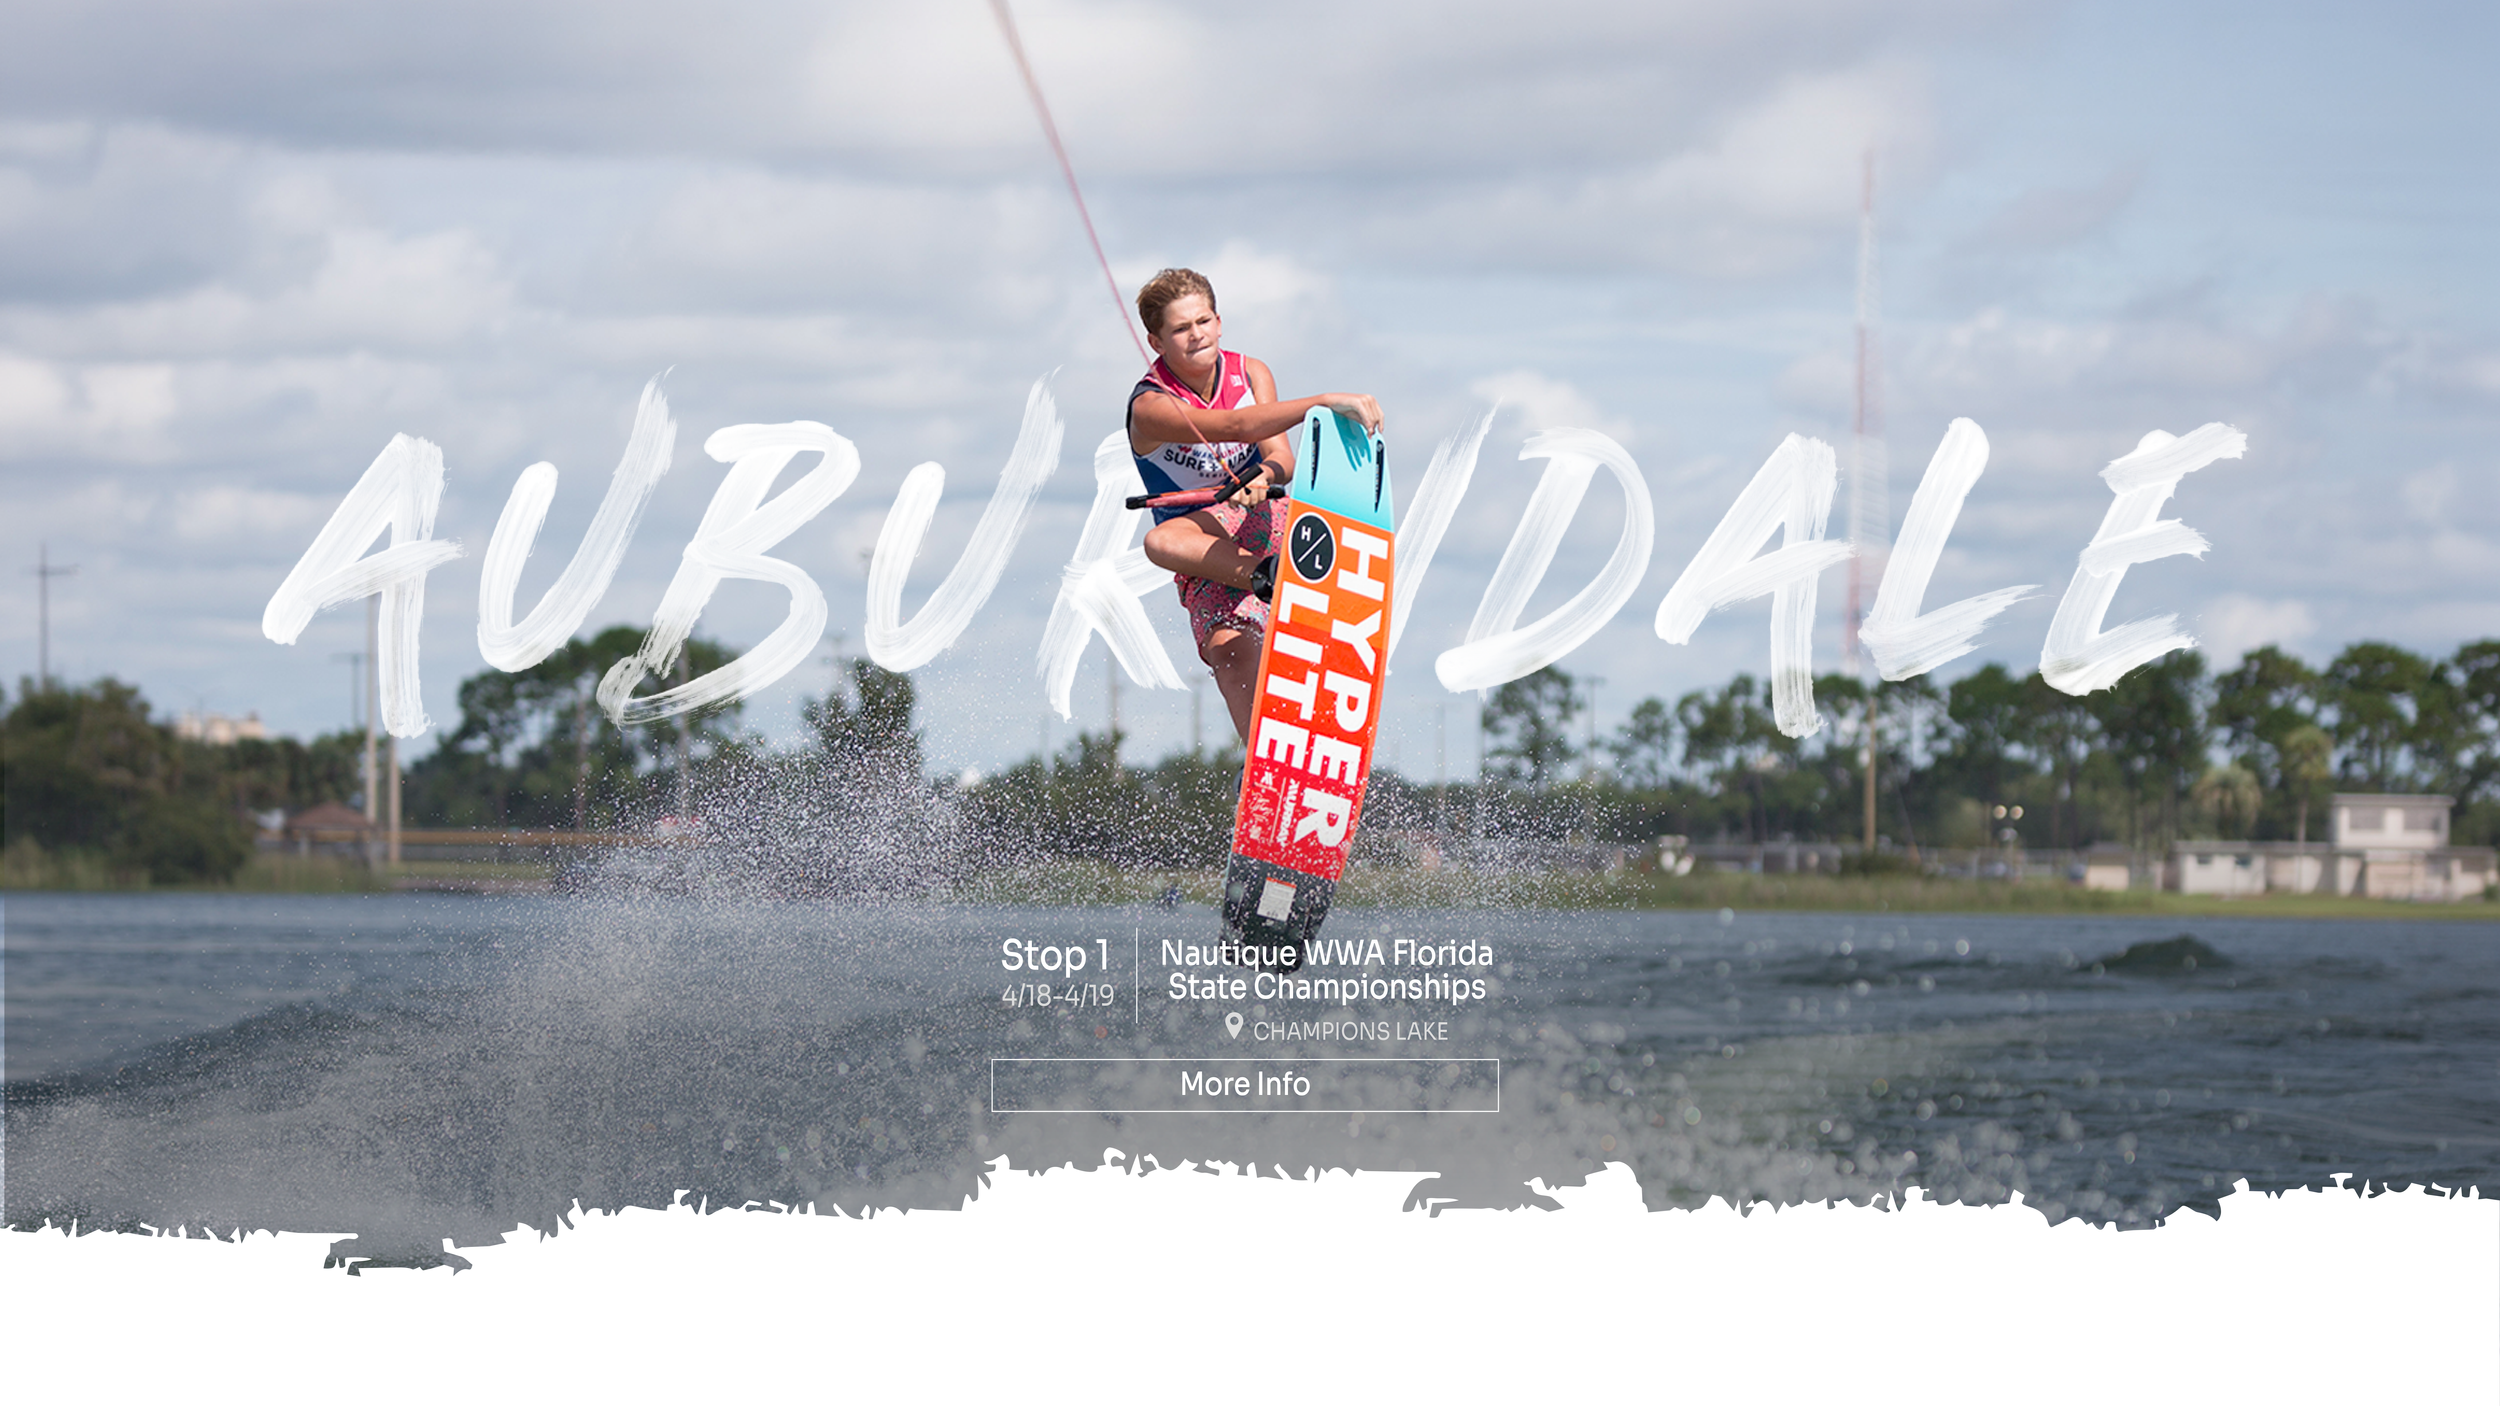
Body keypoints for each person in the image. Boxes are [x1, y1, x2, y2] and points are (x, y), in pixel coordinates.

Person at [1126, 268, 1382, 742]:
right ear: (1156, 342)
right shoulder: (1150, 405)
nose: (1196, 335)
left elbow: (1280, 456)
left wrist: (1264, 477)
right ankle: (1268, 765)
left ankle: (1286, 581)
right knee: (1226, 647)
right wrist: (1322, 402)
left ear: (1220, 322)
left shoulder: (1251, 373)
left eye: (1203, 321)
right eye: (1181, 329)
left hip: (1266, 522)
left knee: (1161, 540)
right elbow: (1235, 426)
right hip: (1203, 551)